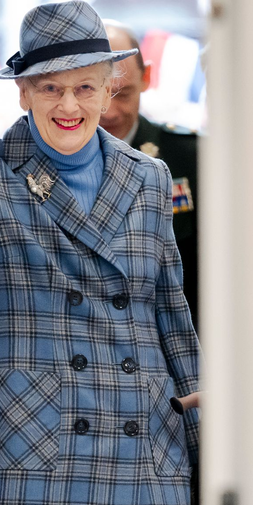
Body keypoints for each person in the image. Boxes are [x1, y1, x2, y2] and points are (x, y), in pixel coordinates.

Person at [0, 0, 201, 505]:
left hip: (144, 446)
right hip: (34, 441)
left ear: (110, 89)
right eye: (50, 89)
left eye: (86, 88)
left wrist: (201, 418)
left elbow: (171, 309)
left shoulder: (148, 176)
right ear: (22, 93)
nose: (69, 105)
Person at [99, 20, 200, 329]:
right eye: (98, 95)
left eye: (123, 94)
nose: (110, 112)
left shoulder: (192, 158)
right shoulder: (52, 164)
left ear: (147, 77)